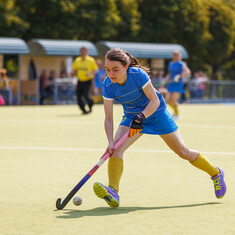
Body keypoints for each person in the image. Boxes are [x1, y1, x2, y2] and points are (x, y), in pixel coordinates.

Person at [93, 48, 226, 208]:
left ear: (126, 67)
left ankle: (216, 174)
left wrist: (141, 117)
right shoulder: (108, 85)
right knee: (116, 149)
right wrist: (109, 142)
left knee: (183, 152)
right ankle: (113, 191)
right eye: (107, 70)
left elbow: (155, 101)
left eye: (115, 69)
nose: (111, 74)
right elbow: (108, 118)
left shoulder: (137, 75)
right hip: (132, 118)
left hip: (156, 115)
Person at [163, 50, 191, 120]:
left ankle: (177, 114)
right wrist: (164, 80)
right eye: (174, 55)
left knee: (173, 99)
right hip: (171, 84)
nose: (175, 56)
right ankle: (175, 110)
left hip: (178, 84)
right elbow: (169, 74)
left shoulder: (181, 64)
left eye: (177, 55)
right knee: (168, 100)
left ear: (179, 56)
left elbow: (187, 72)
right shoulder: (171, 64)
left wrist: (179, 75)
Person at [72, 46, 98, 114]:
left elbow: (95, 70)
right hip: (80, 81)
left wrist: (90, 73)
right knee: (78, 96)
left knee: (86, 95)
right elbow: (74, 69)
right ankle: (83, 110)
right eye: (81, 52)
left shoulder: (91, 60)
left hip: (87, 81)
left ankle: (91, 104)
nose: (83, 53)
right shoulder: (77, 60)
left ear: (86, 52)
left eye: (84, 51)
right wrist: (72, 74)